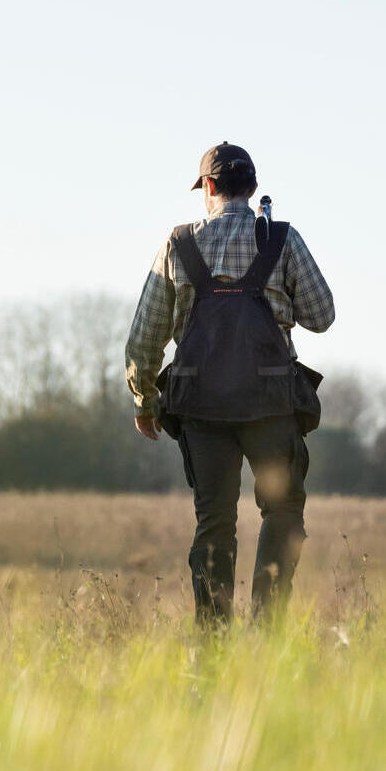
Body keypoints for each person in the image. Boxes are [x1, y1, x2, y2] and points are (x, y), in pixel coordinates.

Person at [125, 141, 335, 624]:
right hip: (270, 406)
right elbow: (321, 317)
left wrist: (145, 400)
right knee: (281, 514)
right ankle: (266, 633)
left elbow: (145, 336)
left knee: (214, 522)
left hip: (201, 410)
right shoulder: (281, 239)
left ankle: (215, 641)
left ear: (210, 187)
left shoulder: (176, 244)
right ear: (253, 188)